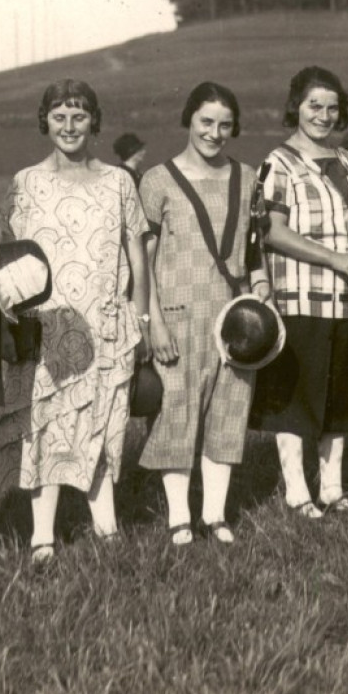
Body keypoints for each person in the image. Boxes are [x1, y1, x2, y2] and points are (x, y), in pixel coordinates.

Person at [0, 80, 151, 563]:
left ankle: (106, 528)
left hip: (105, 323)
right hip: (47, 327)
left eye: (78, 116)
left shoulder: (119, 182)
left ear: (94, 122)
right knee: (45, 425)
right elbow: (9, 256)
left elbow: (138, 256)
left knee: (103, 423)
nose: (68, 126)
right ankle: (43, 535)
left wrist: (140, 316)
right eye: (59, 116)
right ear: (46, 122)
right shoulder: (27, 181)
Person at [250, 66, 348, 516]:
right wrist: (333, 259)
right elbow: (271, 232)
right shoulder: (279, 163)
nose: (323, 116)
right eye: (314, 106)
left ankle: (332, 488)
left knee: (339, 396)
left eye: (332, 107)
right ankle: (296, 492)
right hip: (299, 300)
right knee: (297, 398)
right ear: (296, 108)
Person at [138, 82, 270, 545]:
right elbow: (143, 260)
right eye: (206, 122)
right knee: (177, 410)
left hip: (233, 317)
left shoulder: (249, 177)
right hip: (177, 313)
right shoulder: (157, 180)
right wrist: (151, 320)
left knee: (228, 411)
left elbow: (254, 250)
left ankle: (215, 515)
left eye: (225, 125)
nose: (215, 133)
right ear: (188, 120)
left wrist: (262, 289)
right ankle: (179, 517)